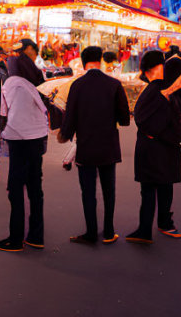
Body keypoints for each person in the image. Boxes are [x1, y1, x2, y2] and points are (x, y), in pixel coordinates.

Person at [58, 46, 131, 245]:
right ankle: (109, 231)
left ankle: (91, 232)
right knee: (109, 190)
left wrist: (65, 134)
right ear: (100, 61)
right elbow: (125, 119)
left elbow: (70, 117)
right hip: (108, 145)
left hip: (86, 146)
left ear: (83, 63)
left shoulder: (77, 85)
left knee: (88, 191)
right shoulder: (114, 84)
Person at [126, 51, 181, 244]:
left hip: (161, 149)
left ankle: (159, 224)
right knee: (153, 189)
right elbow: (143, 119)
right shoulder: (156, 91)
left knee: (162, 187)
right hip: (154, 149)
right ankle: (148, 228)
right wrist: (170, 137)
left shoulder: (167, 91)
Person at [0, 56, 48, 252]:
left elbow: (3, 113)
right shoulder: (34, 85)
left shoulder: (9, 83)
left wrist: (0, 132)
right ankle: (36, 236)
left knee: (15, 189)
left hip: (18, 139)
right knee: (34, 188)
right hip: (37, 138)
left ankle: (15, 239)